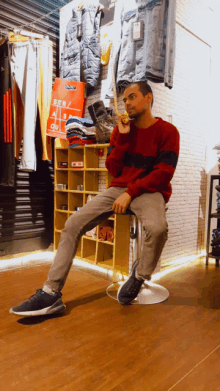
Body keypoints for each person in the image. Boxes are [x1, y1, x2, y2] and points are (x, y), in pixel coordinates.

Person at [10, 81, 180, 316]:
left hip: (150, 190)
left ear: (148, 98)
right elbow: (112, 167)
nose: (126, 103)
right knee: (71, 224)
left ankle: (140, 275)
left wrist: (131, 193)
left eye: (132, 97)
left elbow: (164, 172)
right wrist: (121, 138)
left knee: (158, 228)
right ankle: (50, 293)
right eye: (124, 99)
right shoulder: (122, 130)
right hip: (119, 187)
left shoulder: (168, 131)